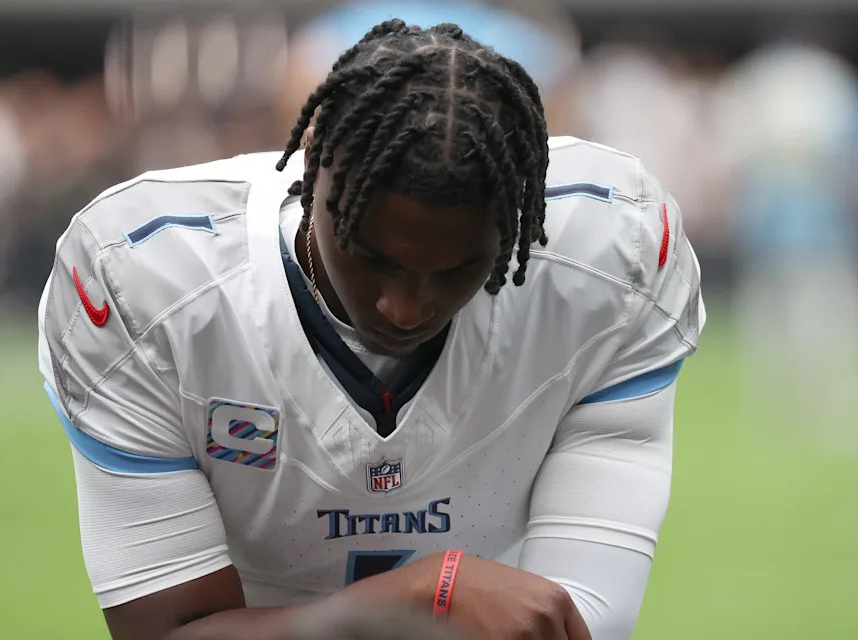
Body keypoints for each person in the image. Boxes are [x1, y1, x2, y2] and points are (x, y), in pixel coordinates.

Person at [38, 20, 704, 640]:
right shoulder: (142, 279)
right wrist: (413, 597)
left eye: (460, 268)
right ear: (311, 155)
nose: (407, 307)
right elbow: (167, 631)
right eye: (372, 256)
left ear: (518, 223)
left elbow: (575, 617)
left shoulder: (613, 260)